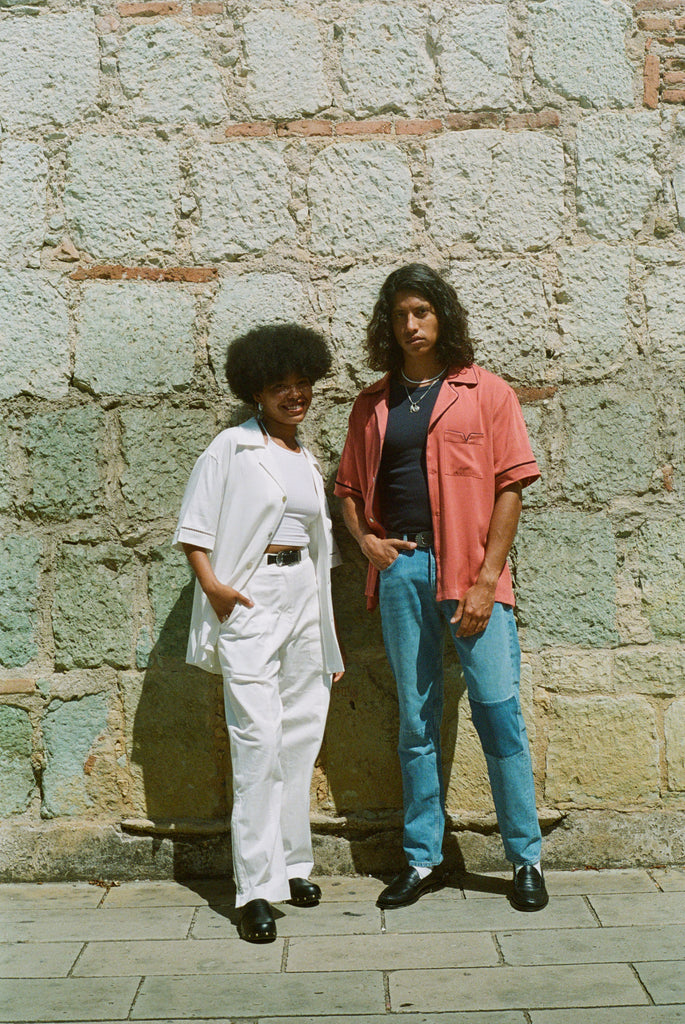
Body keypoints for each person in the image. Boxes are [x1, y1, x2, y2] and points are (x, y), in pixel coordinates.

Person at [334, 264, 547, 912]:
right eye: (400, 315)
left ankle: (525, 859)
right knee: (415, 719)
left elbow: (510, 488)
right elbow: (347, 491)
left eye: (421, 311)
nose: (411, 325)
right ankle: (422, 859)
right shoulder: (372, 404)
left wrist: (487, 580)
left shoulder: (486, 392)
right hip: (402, 572)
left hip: (472, 577)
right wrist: (367, 544)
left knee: (497, 711)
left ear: (441, 317)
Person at [173, 323, 345, 943]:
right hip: (250, 598)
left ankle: (292, 865)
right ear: (256, 392)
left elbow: (321, 549)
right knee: (258, 740)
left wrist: (326, 637)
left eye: (302, 384)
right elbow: (194, 529)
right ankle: (254, 890)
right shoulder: (231, 447)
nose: (295, 395)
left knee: (301, 734)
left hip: (304, 599)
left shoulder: (306, 459)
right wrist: (215, 589)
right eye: (280, 387)